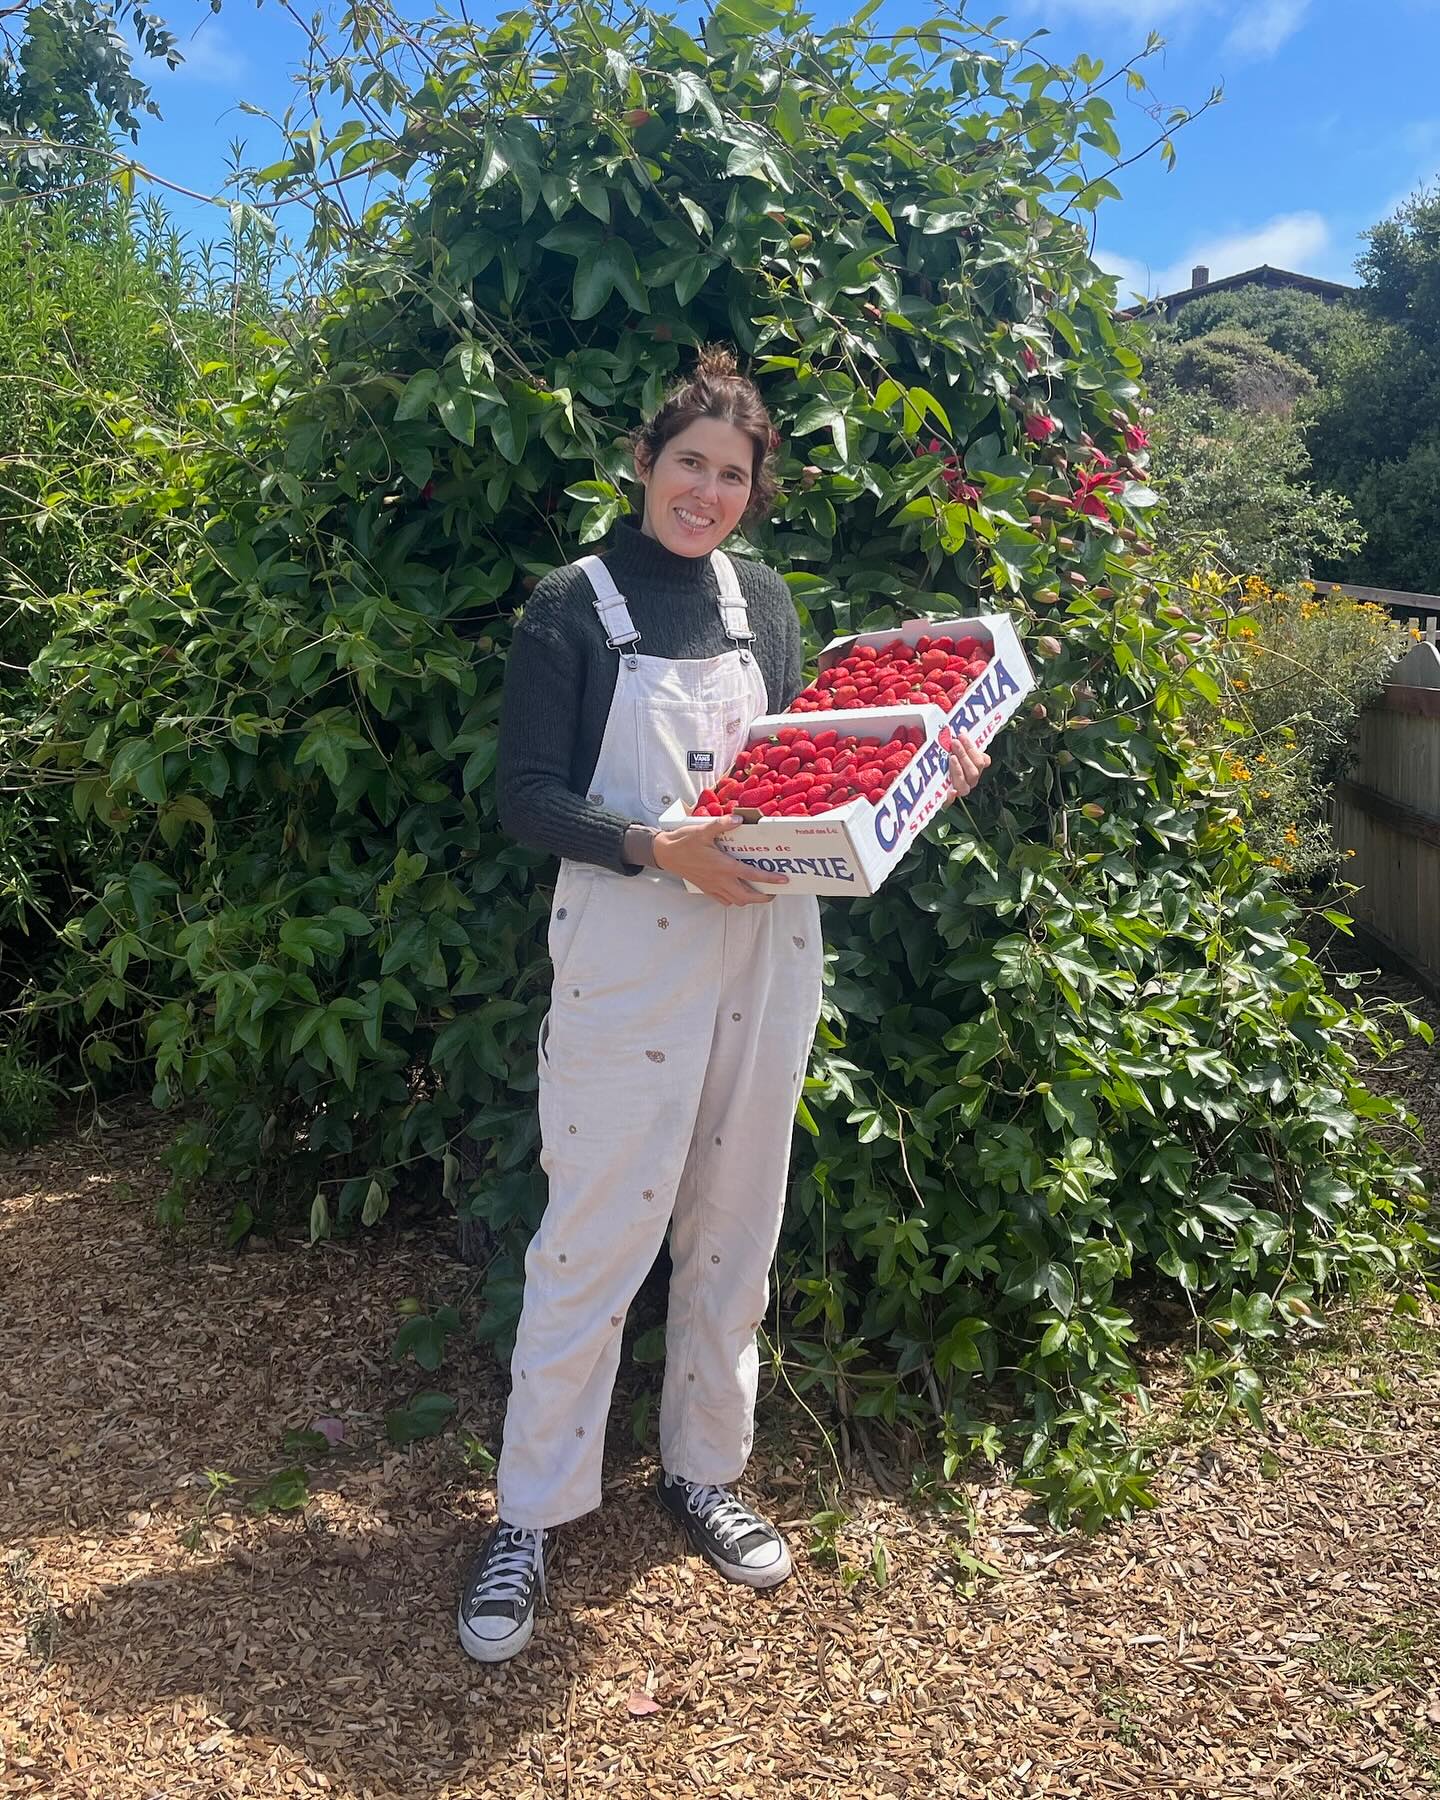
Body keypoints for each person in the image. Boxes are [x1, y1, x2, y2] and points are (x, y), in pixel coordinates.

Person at [457, 347, 990, 1663]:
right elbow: (525, 799)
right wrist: (659, 844)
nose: (706, 490)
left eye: (732, 473)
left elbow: (807, 784)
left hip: (766, 950)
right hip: (630, 946)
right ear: (644, 463)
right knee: (587, 1232)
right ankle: (528, 1514)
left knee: (737, 1220)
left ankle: (703, 1467)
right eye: (688, 463)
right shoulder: (568, 608)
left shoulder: (764, 604)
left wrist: (927, 771)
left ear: (755, 491)